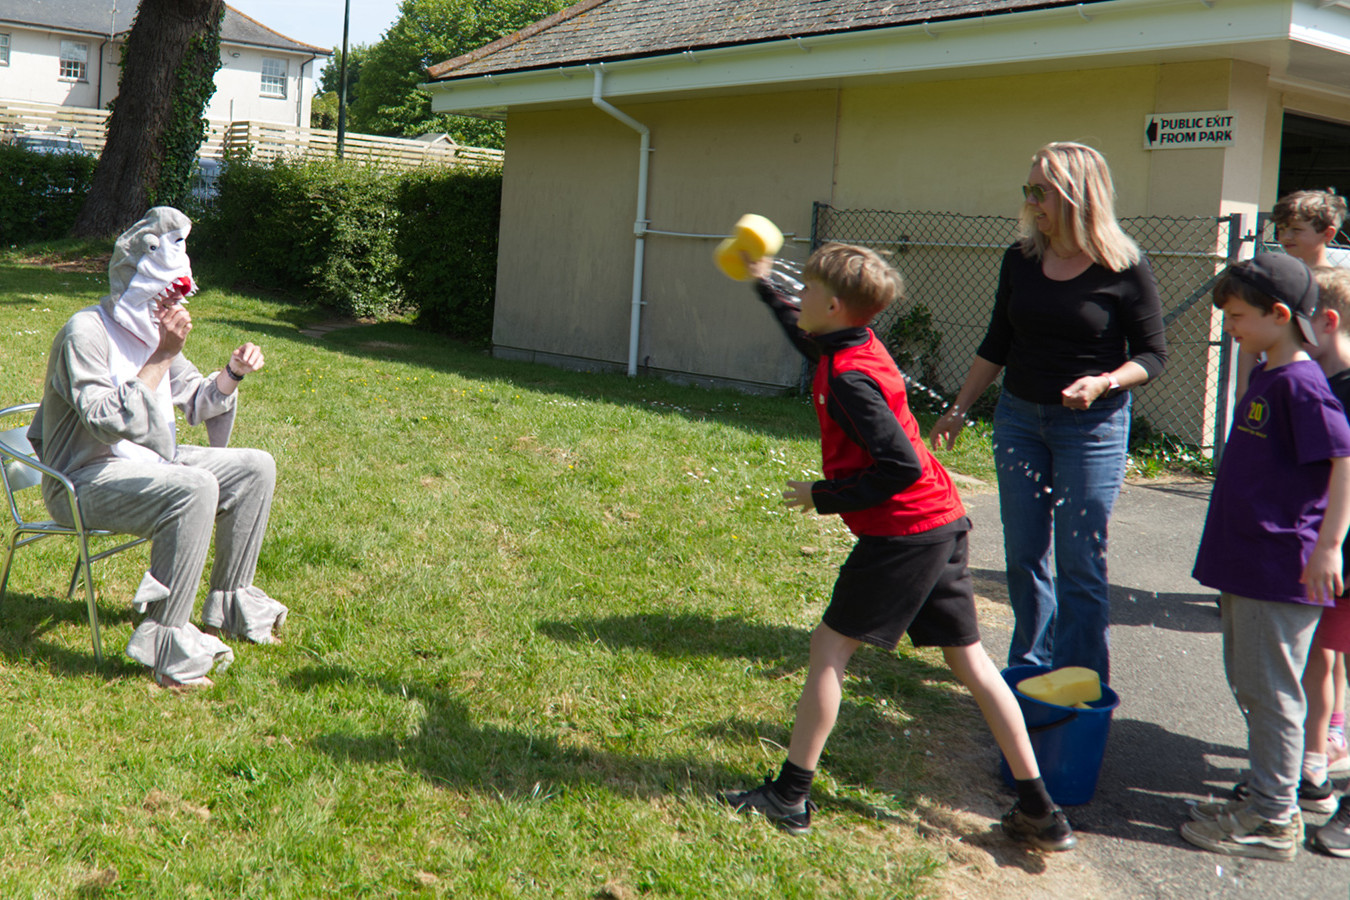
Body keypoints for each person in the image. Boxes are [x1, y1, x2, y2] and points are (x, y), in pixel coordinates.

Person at [722, 242, 1075, 851]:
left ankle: (789, 796)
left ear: (832, 305)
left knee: (829, 648)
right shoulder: (851, 342)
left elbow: (900, 467)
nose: (798, 300)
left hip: (904, 533)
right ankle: (1040, 810)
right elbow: (808, 337)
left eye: (804, 293)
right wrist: (764, 288)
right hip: (942, 524)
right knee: (969, 663)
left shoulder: (852, 378)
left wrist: (822, 494)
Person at [929, 142, 1167, 682]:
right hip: (1019, 420)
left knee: (1080, 562)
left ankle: (1081, 681)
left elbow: (1154, 356)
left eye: (1042, 191)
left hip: (1092, 427)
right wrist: (959, 407)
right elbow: (997, 341)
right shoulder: (1021, 258)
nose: (1031, 201)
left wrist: (1105, 382)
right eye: (1029, 189)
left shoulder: (1123, 265)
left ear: (1078, 196)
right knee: (1024, 556)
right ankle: (1031, 672)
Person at [28, 207, 288, 689]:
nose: (172, 306)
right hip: (82, 478)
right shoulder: (85, 332)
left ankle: (231, 605)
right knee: (192, 488)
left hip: (145, 462)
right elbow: (104, 420)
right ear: (136, 284)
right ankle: (166, 644)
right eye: (164, 294)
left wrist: (231, 374)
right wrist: (162, 355)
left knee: (256, 466)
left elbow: (196, 399)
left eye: (178, 295)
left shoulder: (151, 331)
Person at [1183, 254, 1350, 862]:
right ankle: (1265, 793)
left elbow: (1343, 461)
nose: (1229, 326)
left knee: (1272, 692)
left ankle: (1274, 818)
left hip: (1279, 568)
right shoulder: (1270, 373)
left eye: (1237, 317)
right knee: (1254, 686)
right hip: (1246, 563)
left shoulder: (1304, 385)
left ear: (1280, 315)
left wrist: (1329, 546)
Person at [1305, 266, 1350, 857]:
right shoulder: (1318, 383)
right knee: (1319, 652)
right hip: (1331, 559)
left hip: (1341, 550)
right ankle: (1312, 768)